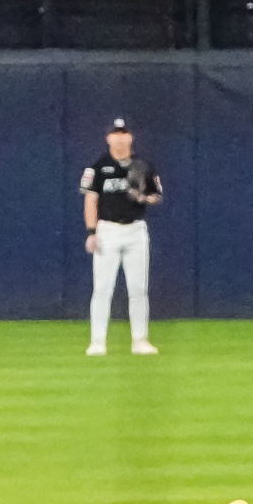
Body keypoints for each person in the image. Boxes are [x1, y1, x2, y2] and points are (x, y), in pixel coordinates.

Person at [82, 117, 162, 357]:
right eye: (115, 134)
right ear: (108, 138)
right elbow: (90, 200)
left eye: (123, 133)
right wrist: (91, 232)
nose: (119, 138)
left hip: (135, 230)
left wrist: (144, 197)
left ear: (130, 137)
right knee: (102, 289)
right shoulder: (97, 168)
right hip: (107, 230)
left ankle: (140, 340)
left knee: (138, 289)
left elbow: (156, 195)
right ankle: (97, 341)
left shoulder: (143, 165)